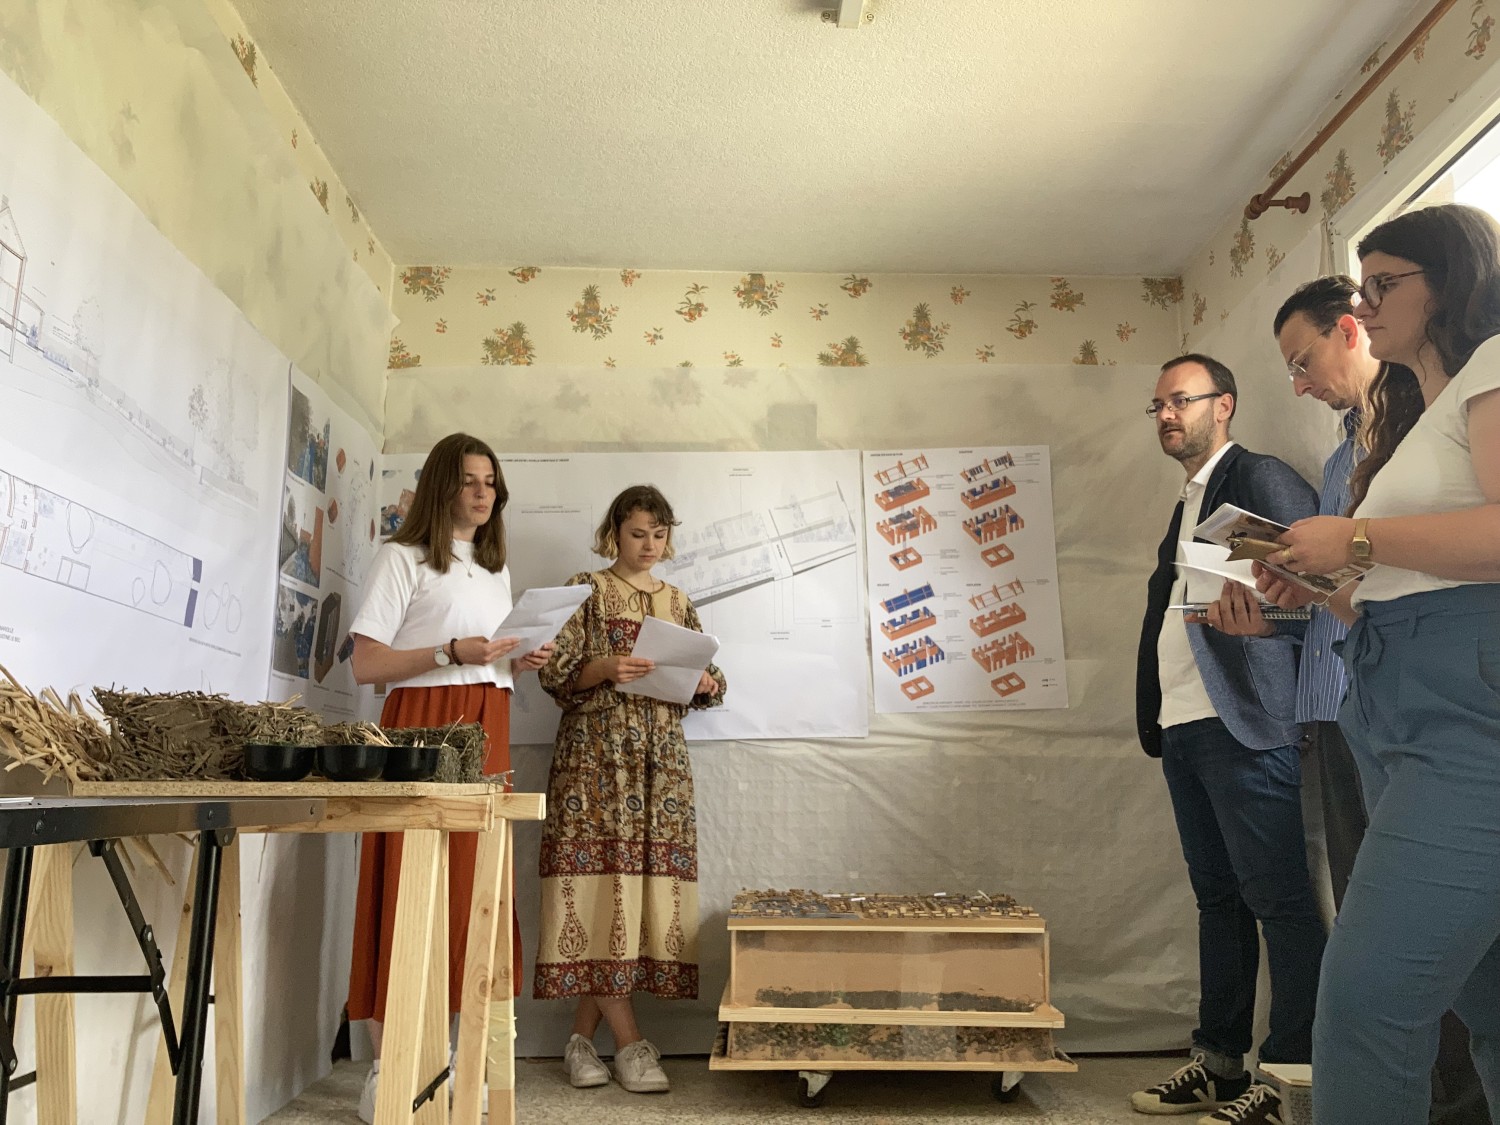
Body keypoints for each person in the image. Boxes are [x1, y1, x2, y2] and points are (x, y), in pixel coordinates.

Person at [1208, 276, 1491, 1125]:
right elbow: (1372, 590)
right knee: (1459, 977)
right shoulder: (1371, 447)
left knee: (1374, 981)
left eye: (1381, 285)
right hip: (1366, 697)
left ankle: (1441, 1104)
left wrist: (1351, 542)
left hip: (1443, 700)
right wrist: (1309, 588)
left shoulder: (1472, 387)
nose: (1299, 382)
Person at [1131, 355, 1326, 1125]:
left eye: (1181, 400)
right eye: (1158, 405)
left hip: (1244, 721)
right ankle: (1218, 1063)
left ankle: (1288, 1079)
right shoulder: (1189, 500)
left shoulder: (1259, 476)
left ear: (1225, 405)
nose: (1166, 414)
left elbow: (1323, 591)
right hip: (1185, 722)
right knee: (1218, 899)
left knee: (1279, 900)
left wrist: (1269, 626)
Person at [343, 432, 553, 1123]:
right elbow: (366, 664)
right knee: (407, 883)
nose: (483, 492)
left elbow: (480, 658)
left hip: (487, 727)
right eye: (469, 480)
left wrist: (514, 661)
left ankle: (456, 1063)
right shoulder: (402, 557)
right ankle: (390, 1066)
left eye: (490, 481)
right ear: (442, 485)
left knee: (474, 891)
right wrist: (449, 651)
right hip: (424, 728)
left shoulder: (494, 567)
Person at [534, 484, 726, 1095]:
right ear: (614, 532)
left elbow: (714, 676)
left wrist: (704, 682)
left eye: (659, 534)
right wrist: (605, 668)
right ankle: (631, 1045)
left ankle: (579, 1043)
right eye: (638, 533)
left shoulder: (679, 601)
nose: (649, 545)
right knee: (600, 893)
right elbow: (554, 672)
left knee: (631, 898)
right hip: (595, 763)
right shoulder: (586, 589)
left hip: (659, 766)